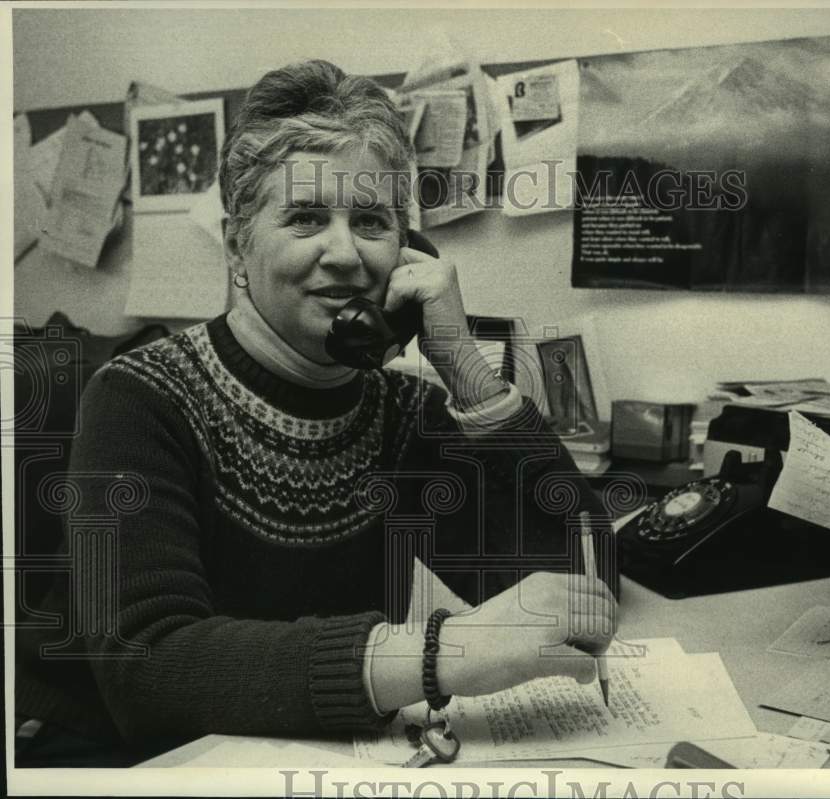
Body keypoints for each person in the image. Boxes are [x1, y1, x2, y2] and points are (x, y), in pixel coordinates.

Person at [15, 60, 616, 765]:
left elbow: (584, 589)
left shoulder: (406, 410)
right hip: (128, 761)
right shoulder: (138, 398)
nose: (345, 252)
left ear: (407, 250)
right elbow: (149, 667)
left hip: (316, 756)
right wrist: (436, 652)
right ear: (238, 245)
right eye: (305, 217)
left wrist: (466, 371)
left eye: (370, 220)